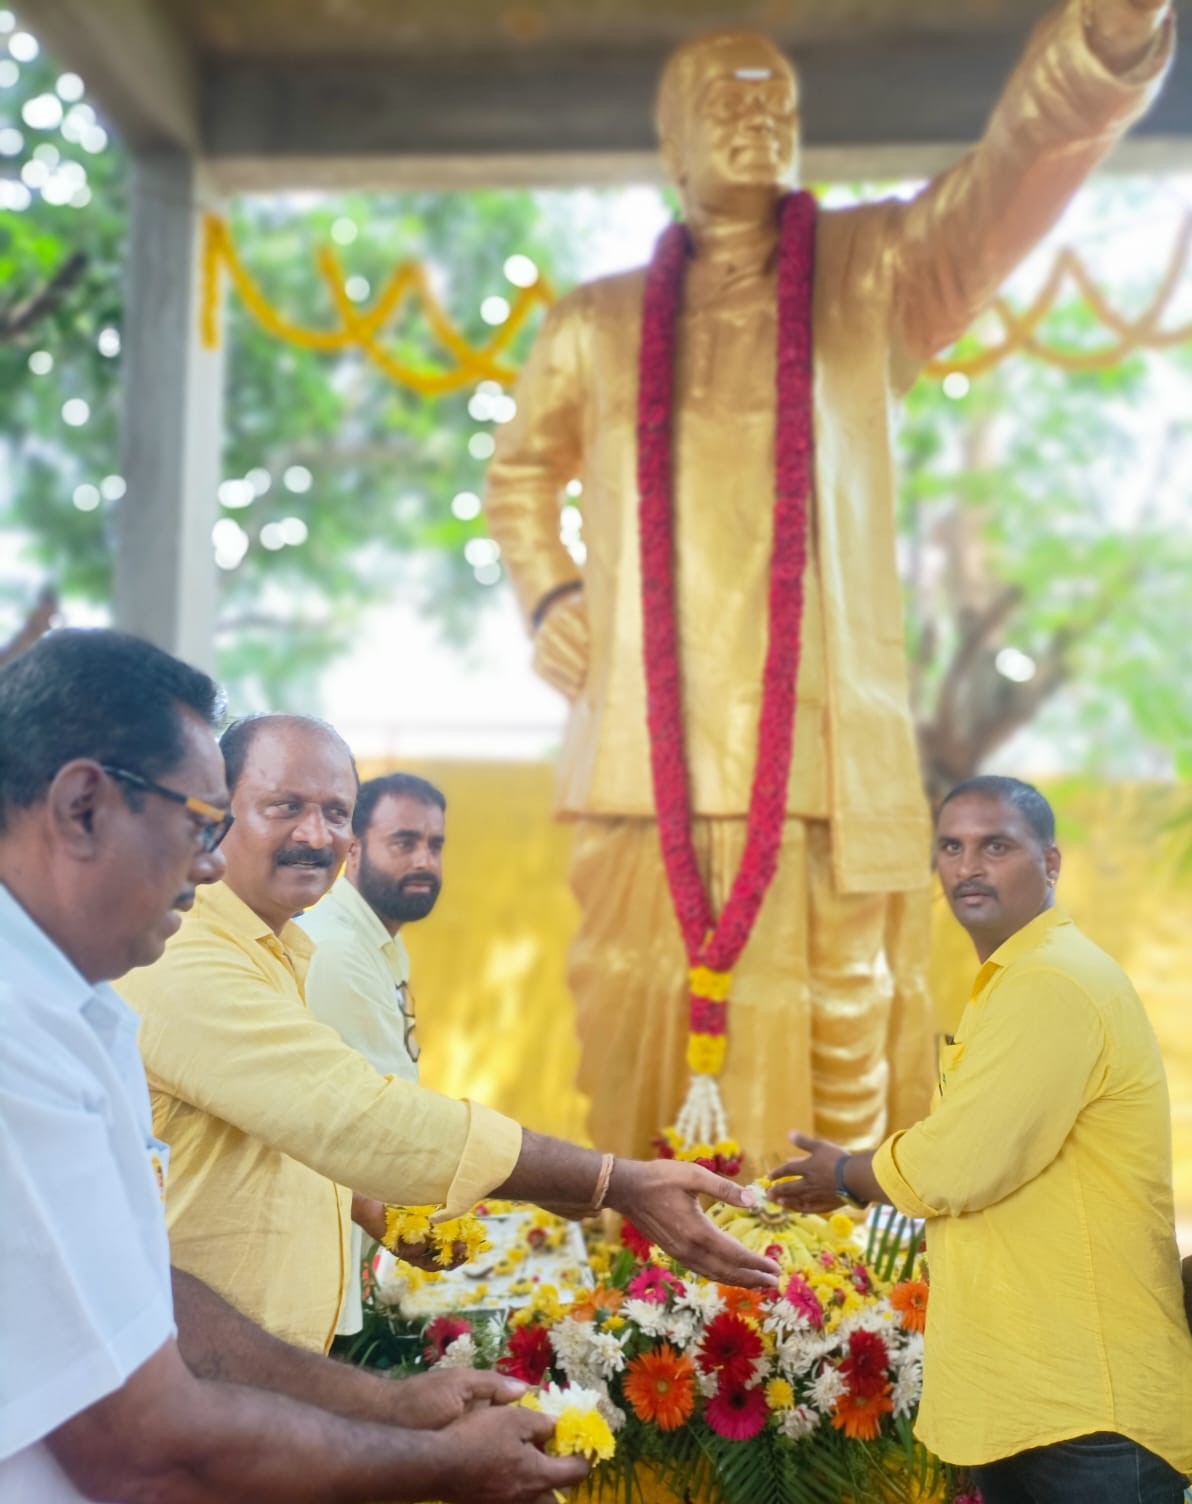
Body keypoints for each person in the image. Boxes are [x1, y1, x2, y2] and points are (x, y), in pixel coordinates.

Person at [484, 0, 1175, 1170]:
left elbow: (1007, 181)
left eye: (779, 103)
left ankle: (824, 1281)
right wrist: (550, 591)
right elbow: (517, 476)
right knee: (635, 1026)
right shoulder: (594, 325)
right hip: (641, 752)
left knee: (838, 1034)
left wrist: (1105, 40)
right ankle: (650, 1268)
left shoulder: (877, 274)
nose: (759, 120)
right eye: (727, 101)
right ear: (671, 141)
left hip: (822, 756)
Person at [0, 628, 589, 1504]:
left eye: (337, 815)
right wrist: (446, 1463)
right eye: (201, 823)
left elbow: (150, 1292)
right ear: (83, 806)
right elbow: (143, 1449)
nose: (207, 863)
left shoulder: (81, 1007)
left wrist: (385, 1404)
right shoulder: (26, 1030)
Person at [120, 712, 778, 1352]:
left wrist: (375, 1207)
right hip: (184, 1364)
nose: (315, 835)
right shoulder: (188, 952)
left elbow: (287, 1127)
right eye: (284, 806)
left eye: (337, 813)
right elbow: (355, 1117)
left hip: (248, 1361)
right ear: (216, 811)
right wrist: (609, 1181)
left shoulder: (278, 947)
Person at [770, 776, 1192, 1502]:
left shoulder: (1053, 981)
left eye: (996, 847)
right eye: (951, 847)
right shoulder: (1018, 978)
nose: (968, 866)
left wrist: (846, 1174)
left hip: (1086, 1403)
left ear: (1051, 863)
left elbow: (959, 1164)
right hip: (1036, 1392)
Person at [301, 771, 448, 1334]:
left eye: (435, 845)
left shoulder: (377, 939)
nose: (425, 861)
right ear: (354, 848)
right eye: (404, 842)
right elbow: (380, 1121)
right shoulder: (339, 951)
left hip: (353, 1238)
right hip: (317, 1253)